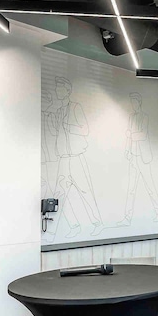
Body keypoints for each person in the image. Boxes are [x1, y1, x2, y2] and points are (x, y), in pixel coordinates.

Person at [49, 77, 104, 238]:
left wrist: (69, 126)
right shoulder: (58, 111)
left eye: (60, 88)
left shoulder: (75, 107)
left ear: (67, 91)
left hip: (75, 158)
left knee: (85, 191)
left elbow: (85, 129)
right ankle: (74, 226)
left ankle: (97, 223)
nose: (57, 90)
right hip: (63, 158)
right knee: (61, 194)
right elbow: (55, 132)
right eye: (56, 87)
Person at [117, 93, 158, 226]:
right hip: (133, 157)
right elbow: (128, 137)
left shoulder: (144, 117)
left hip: (143, 158)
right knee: (131, 189)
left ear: (139, 103)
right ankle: (127, 218)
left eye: (135, 102)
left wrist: (131, 134)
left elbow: (142, 135)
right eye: (132, 102)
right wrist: (127, 150)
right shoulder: (131, 117)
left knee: (150, 187)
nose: (133, 105)